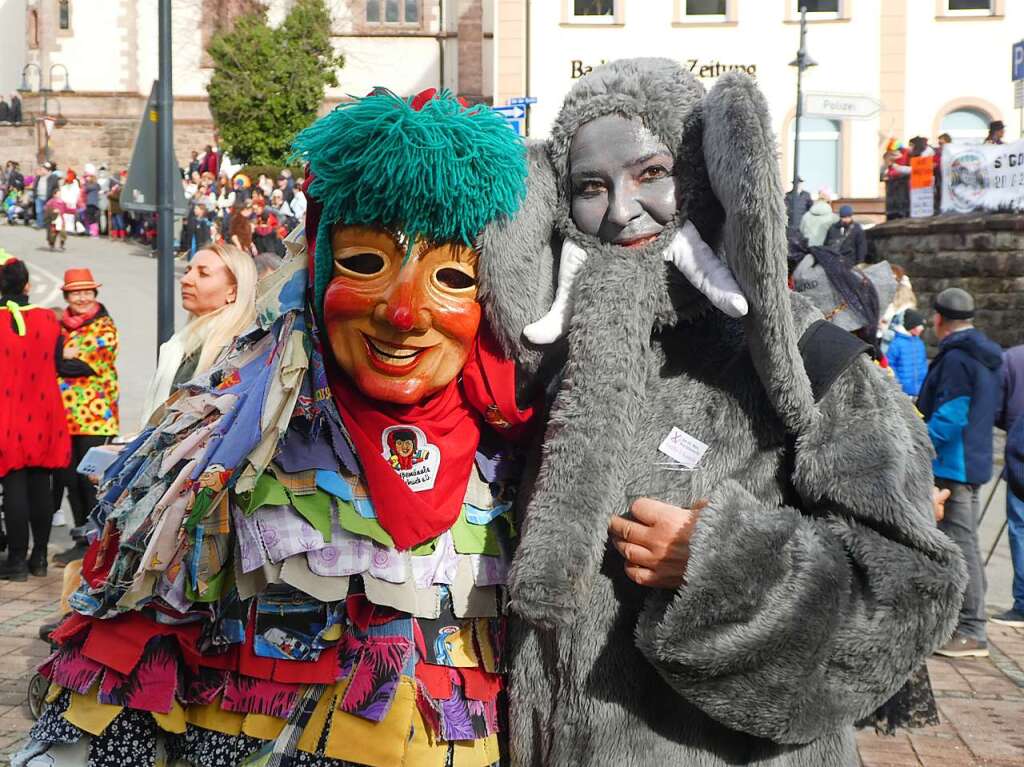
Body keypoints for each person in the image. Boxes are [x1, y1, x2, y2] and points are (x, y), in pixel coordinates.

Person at [21, 88, 533, 767]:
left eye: (450, 276)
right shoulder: (224, 449)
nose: (404, 313)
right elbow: (118, 692)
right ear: (318, 267)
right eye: (365, 263)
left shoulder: (528, 460)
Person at [498, 59, 963, 767]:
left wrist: (723, 566)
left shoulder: (804, 355)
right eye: (591, 187)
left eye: (650, 172)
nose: (621, 210)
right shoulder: (550, 360)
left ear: (705, 174)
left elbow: (913, 586)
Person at [917, 287, 1002, 658]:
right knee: (965, 542)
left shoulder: (957, 359)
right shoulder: (983, 355)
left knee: (960, 545)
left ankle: (970, 629)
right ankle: (966, 623)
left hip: (953, 463)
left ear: (938, 320)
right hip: (972, 457)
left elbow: (951, 416)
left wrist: (919, 445)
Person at [0, 256, 71, 581]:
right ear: (27, 286)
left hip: (8, 412)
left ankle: (15, 561)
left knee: (13, 483)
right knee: (41, 484)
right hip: (44, 412)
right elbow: (59, 363)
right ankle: (39, 557)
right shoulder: (48, 318)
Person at [139, 243, 257, 426]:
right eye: (188, 270)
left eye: (203, 273)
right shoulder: (188, 341)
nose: (186, 279)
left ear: (232, 291)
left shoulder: (231, 350)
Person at [51, 269, 120, 566]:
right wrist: (60, 355)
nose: (81, 297)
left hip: (95, 415)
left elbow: (73, 367)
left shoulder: (105, 327)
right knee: (68, 479)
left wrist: (60, 357)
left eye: (87, 292)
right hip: (63, 416)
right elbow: (60, 360)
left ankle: (97, 544)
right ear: (66, 296)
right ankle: (81, 539)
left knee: (89, 481)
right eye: (75, 292)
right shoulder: (61, 327)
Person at [993, 343, 1024, 627]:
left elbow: (996, 406)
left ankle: (1023, 603)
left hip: (1020, 457)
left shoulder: (1011, 358)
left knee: (1020, 529)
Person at [887, 308, 928, 398]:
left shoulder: (920, 343)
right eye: (919, 325)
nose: (922, 328)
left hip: (920, 392)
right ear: (911, 326)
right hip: (903, 393)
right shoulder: (896, 344)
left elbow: (924, 364)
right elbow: (890, 366)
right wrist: (898, 385)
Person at [34, 162, 58, 228]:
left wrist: (55, 195)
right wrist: (35, 193)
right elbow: (35, 186)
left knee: (48, 211)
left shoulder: (53, 177)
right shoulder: (38, 177)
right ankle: (40, 224)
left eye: (43, 169)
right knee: (39, 211)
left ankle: (47, 224)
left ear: (47, 170)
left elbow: (56, 187)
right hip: (39, 196)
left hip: (48, 197)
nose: (41, 171)